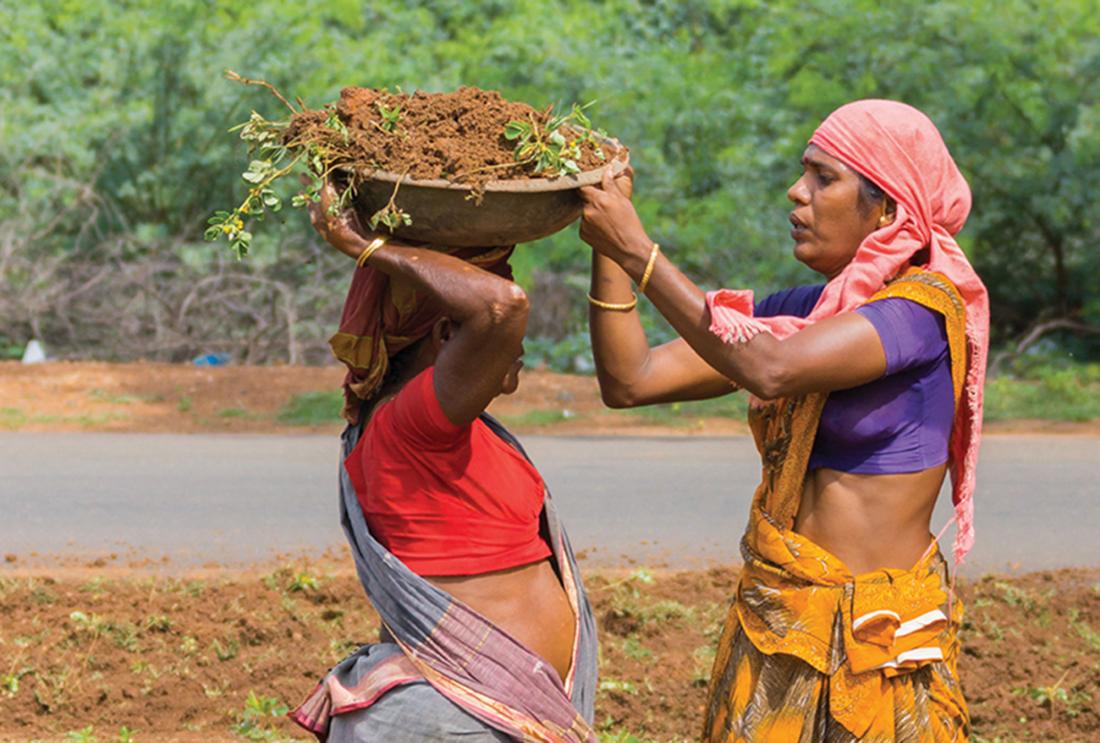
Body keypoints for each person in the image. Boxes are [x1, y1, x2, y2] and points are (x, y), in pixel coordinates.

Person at [578, 100, 989, 741]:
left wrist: (640, 251)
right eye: (805, 173)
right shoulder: (805, 312)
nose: (797, 192)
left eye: (824, 178)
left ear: (888, 208)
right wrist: (608, 245)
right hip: (778, 626)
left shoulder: (921, 313)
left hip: (870, 647)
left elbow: (770, 368)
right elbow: (631, 381)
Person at [289, 182, 598, 742]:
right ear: (451, 333)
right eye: (506, 342)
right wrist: (363, 246)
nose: (519, 347)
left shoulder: (459, 431)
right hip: (454, 717)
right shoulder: (407, 425)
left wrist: (612, 241)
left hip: (484, 712)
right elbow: (503, 307)